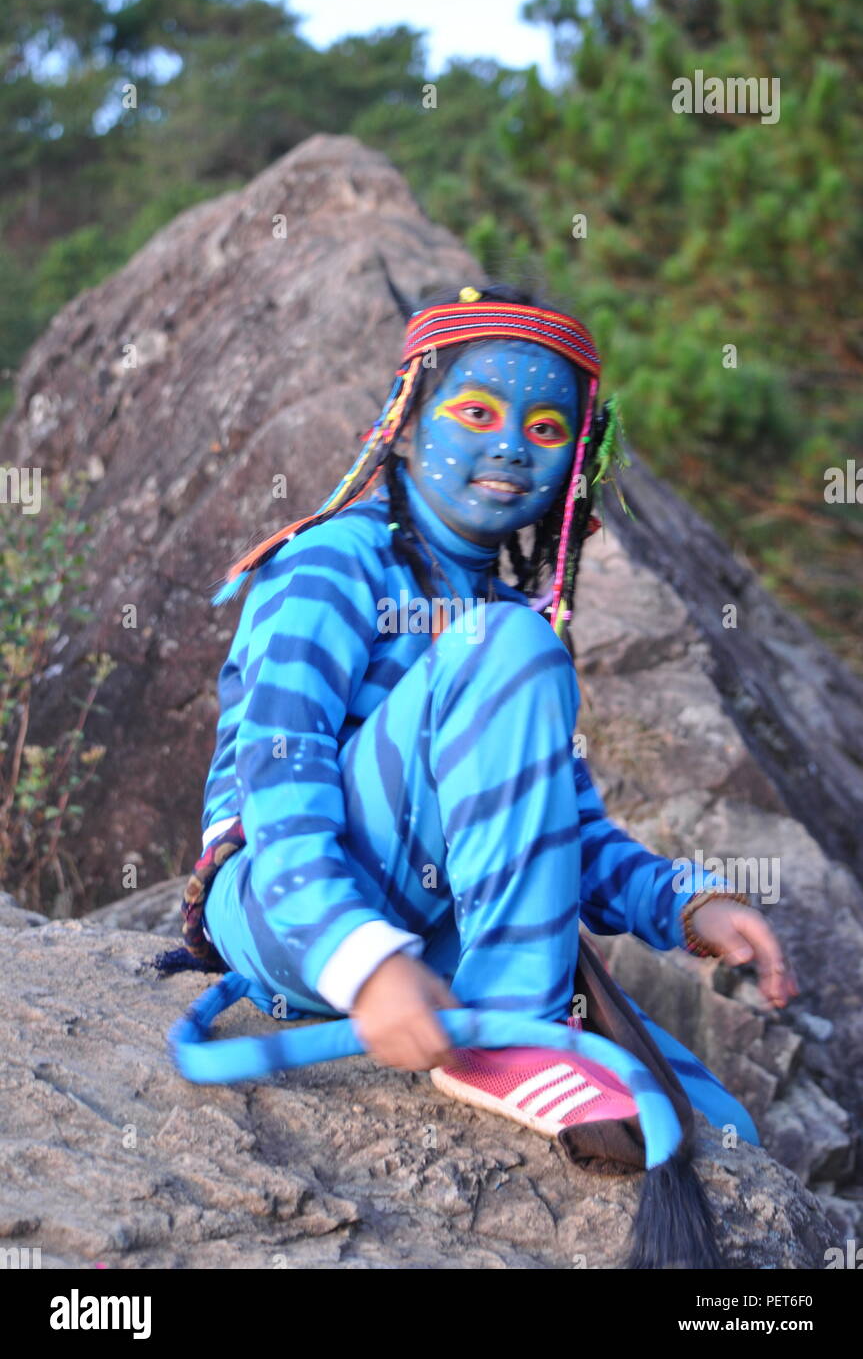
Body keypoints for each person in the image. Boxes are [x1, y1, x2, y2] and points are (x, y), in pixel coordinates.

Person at [159, 282, 797, 1266]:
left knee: (716, 1125)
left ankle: (507, 1008)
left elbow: (559, 828)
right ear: (407, 417)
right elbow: (278, 780)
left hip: (427, 930)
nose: (510, 445)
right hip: (284, 905)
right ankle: (512, 1022)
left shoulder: (504, 614)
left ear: (574, 458)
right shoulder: (333, 562)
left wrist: (683, 904)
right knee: (508, 645)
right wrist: (360, 960)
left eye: (547, 426)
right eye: (475, 412)